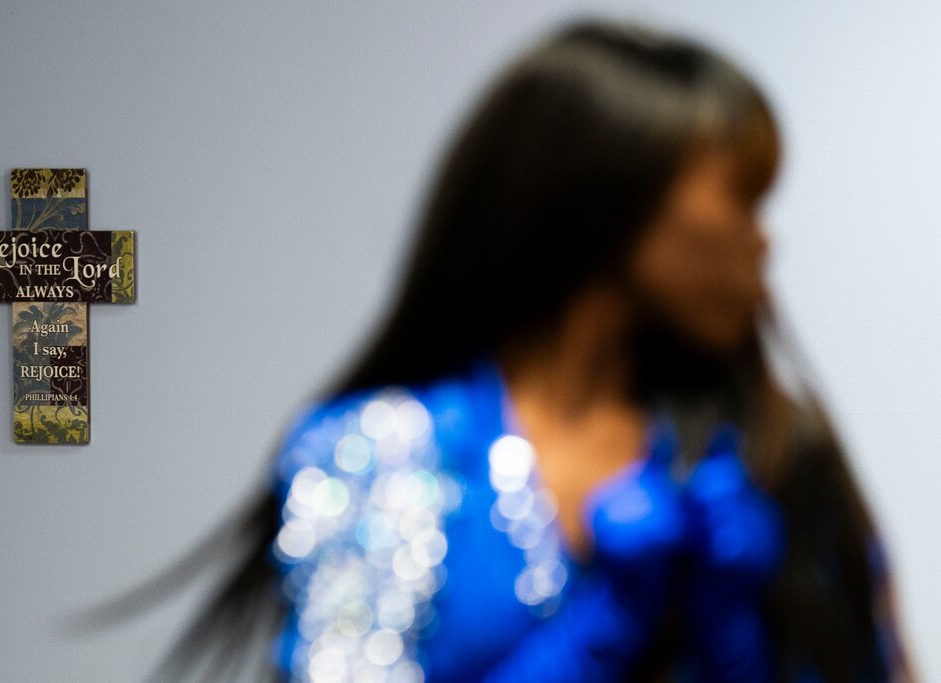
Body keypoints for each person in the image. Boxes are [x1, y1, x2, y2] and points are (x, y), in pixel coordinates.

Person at [109, 16, 917, 683]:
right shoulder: (380, 455)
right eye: (740, 198)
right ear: (609, 196)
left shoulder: (773, 455)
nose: (761, 240)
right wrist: (602, 629)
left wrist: (755, 642)